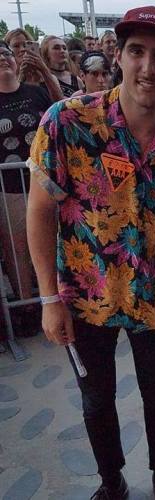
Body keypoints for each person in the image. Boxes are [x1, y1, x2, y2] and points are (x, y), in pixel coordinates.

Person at [26, 6, 155, 500]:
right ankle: (111, 480)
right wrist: (47, 298)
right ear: (119, 57)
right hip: (85, 296)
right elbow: (40, 210)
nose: (148, 67)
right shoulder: (67, 121)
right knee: (95, 400)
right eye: (136, 52)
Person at [0, 40, 51, 334]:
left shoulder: (34, 92)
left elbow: (59, 111)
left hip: (43, 182)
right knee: (16, 249)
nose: (4, 59)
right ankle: (27, 308)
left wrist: (44, 71)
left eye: (7, 54)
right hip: (9, 187)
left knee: (52, 242)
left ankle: (58, 299)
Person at [5, 28, 63, 102]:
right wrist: (21, 78)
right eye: (16, 46)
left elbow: (60, 104)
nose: (22, 49)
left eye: (25, 44)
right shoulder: (7, 80)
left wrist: (44, 70)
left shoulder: (46, 77)